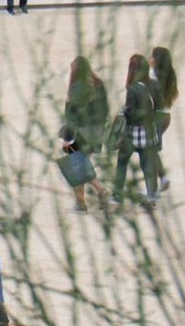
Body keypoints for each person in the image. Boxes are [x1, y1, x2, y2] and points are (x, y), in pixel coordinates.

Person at [114, 53, 163, 205]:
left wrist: (123, 113)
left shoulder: (132, 88)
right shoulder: (154, 85)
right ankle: (151, 196)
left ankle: (117, 195)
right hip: (149, 131)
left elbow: (130, 112)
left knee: (122, 163)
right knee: (147, 164)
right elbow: (159, 107)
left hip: (133, 132)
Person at [63, 56, 111, 161]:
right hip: (98, 131)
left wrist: (67, 137)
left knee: (77, 163)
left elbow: (71, 114)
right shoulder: (99, 84)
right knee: (84, 161)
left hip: (83, 132)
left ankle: (87, 176)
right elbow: (105, 108)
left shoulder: (76, 87)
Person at [57, 126, 107, 212]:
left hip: (78, 143)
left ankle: (81, 206)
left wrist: (66, 141)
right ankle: (101, 191)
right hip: (91, 139)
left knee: (77, 175)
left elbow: (67, 142)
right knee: (85, 171)